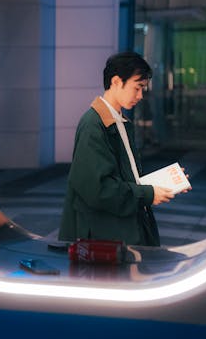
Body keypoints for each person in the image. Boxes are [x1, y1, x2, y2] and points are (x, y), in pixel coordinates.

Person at [59, 51, 175, 246]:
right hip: (104, 238)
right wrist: (148, 194)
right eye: (137, 88)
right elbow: (99, 189)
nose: (140, 96)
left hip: (119, 231)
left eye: (143, 89)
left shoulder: (117, 120)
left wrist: (168, 182)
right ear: (116, 82)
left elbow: (125, 177)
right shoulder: (94, 124)